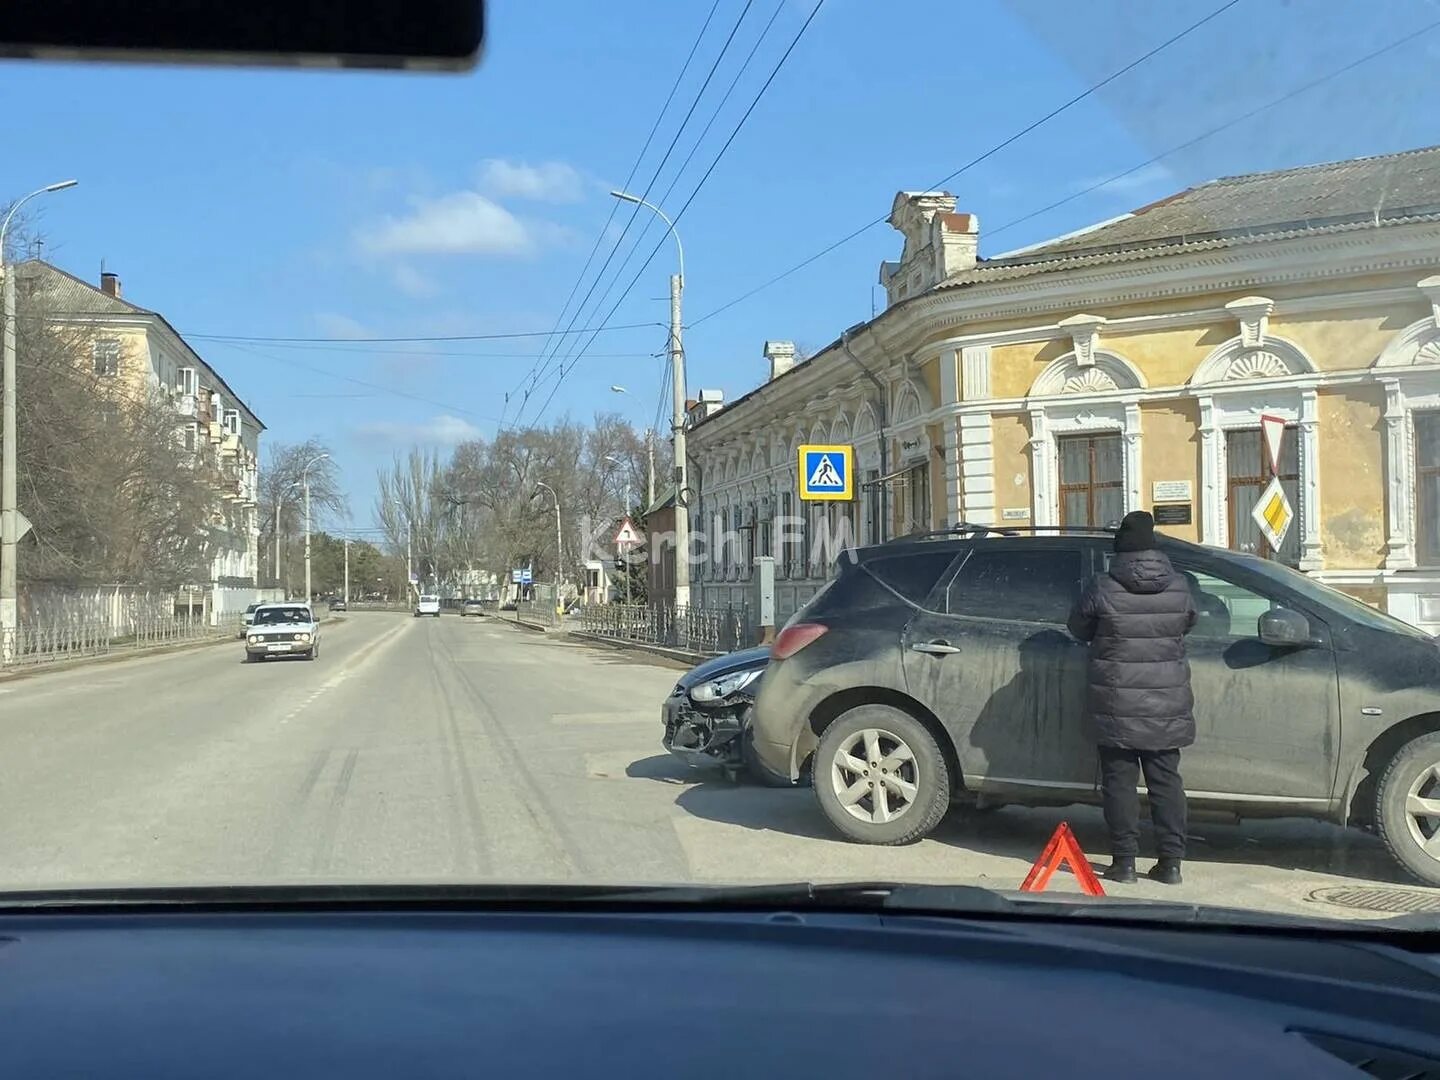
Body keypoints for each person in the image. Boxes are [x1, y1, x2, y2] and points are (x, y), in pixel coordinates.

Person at [1067, 511, 1198, 885]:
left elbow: (1077, 627)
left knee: (1120, 782)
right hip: (1166, 702)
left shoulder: (1103, 586)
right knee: (1166, 781)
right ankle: (1171, 864)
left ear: (1119, 550)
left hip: (1115, 703)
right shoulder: (1180, 586)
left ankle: (1124, 863)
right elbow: (1190, 621)